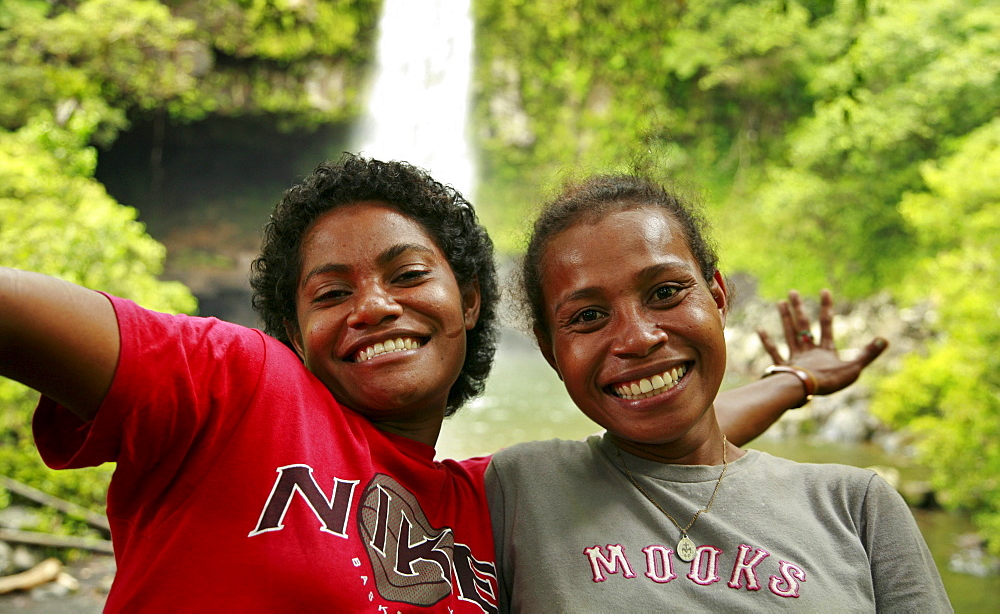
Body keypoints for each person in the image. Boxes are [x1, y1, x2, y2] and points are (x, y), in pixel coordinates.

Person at [1, 155, 882, 612]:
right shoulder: (238, 387)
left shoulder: (494, 500)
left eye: (406, 275)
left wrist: (791, 378)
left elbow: (659, 415)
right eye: (330, 293)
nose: (374, 307)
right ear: (297, 335)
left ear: (469, 299)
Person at [485, 173, 952, 612]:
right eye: (588, 316)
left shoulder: (855, 505)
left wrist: (794, 383)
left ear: (719, 299)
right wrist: (793, 383)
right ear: (550, 350)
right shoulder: (517, 489)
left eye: (666, 292)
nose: (639, 338)